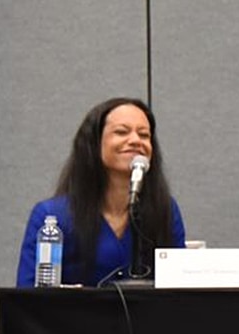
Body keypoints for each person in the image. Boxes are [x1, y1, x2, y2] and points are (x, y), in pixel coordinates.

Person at [17, 97, 185, 287]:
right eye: (122, 132)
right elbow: (29, 297)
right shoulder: (52, 215)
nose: (135, 141)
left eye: (144, 135)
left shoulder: (165, 211)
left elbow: (177, 290)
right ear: (94, 144)